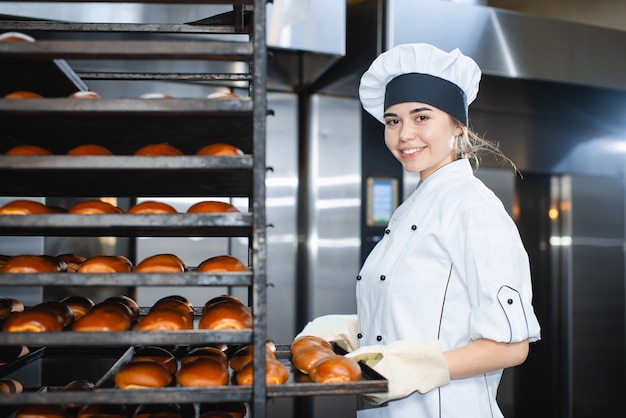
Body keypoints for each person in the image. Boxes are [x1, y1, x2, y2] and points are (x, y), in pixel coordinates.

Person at [295, 43, 541, 417]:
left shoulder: (473, 208)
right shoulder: (415, 206)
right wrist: (352, 328)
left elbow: (510, 346)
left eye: (421, 117)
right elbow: (424, 315)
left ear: (457, 125)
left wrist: (415, 367)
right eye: (393, 120)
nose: (404, 134)